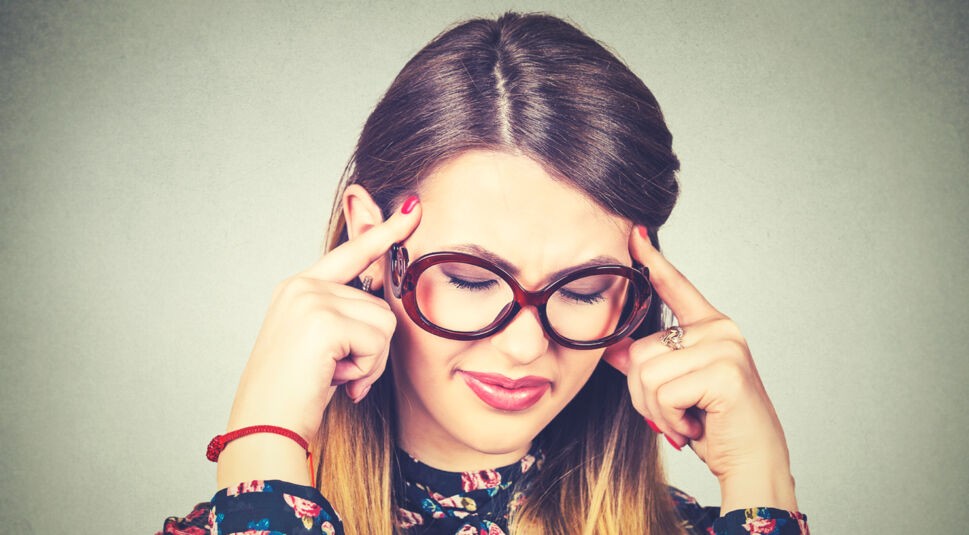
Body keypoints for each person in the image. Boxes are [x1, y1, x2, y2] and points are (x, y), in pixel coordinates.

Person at [159, 12, 808, 535]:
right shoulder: (234, 519)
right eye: (472, 278)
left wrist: (760, 474)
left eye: (582, 290)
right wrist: (264, 444)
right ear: (373, 244)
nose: (527, 345)